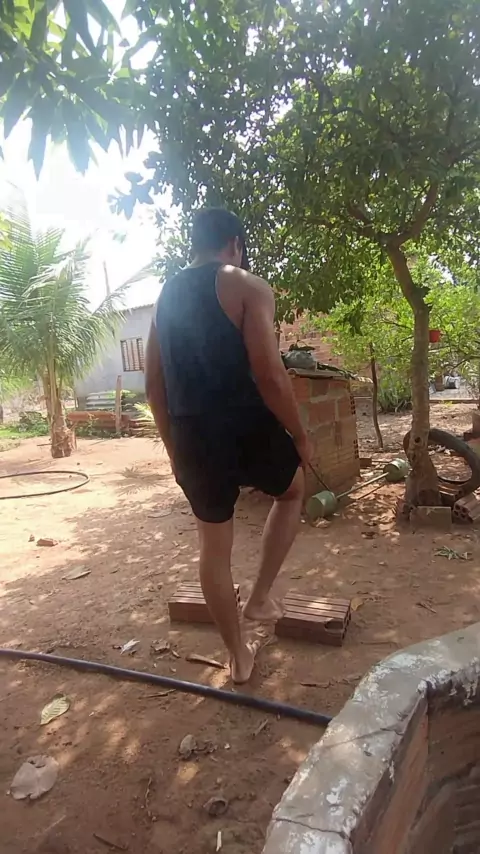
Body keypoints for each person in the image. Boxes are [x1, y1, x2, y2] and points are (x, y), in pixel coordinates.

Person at [145, 208, 311, 683]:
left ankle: (238, 657)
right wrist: (300, 435)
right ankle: (259, 598)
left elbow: (153, 386)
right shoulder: (247, 286)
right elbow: (270, 374)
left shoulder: (164, 297)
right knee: (293, 491)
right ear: (235, 243)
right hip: (247, 425)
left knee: (213, 549)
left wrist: (173, 447)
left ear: (194, 244)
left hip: (193, 435)